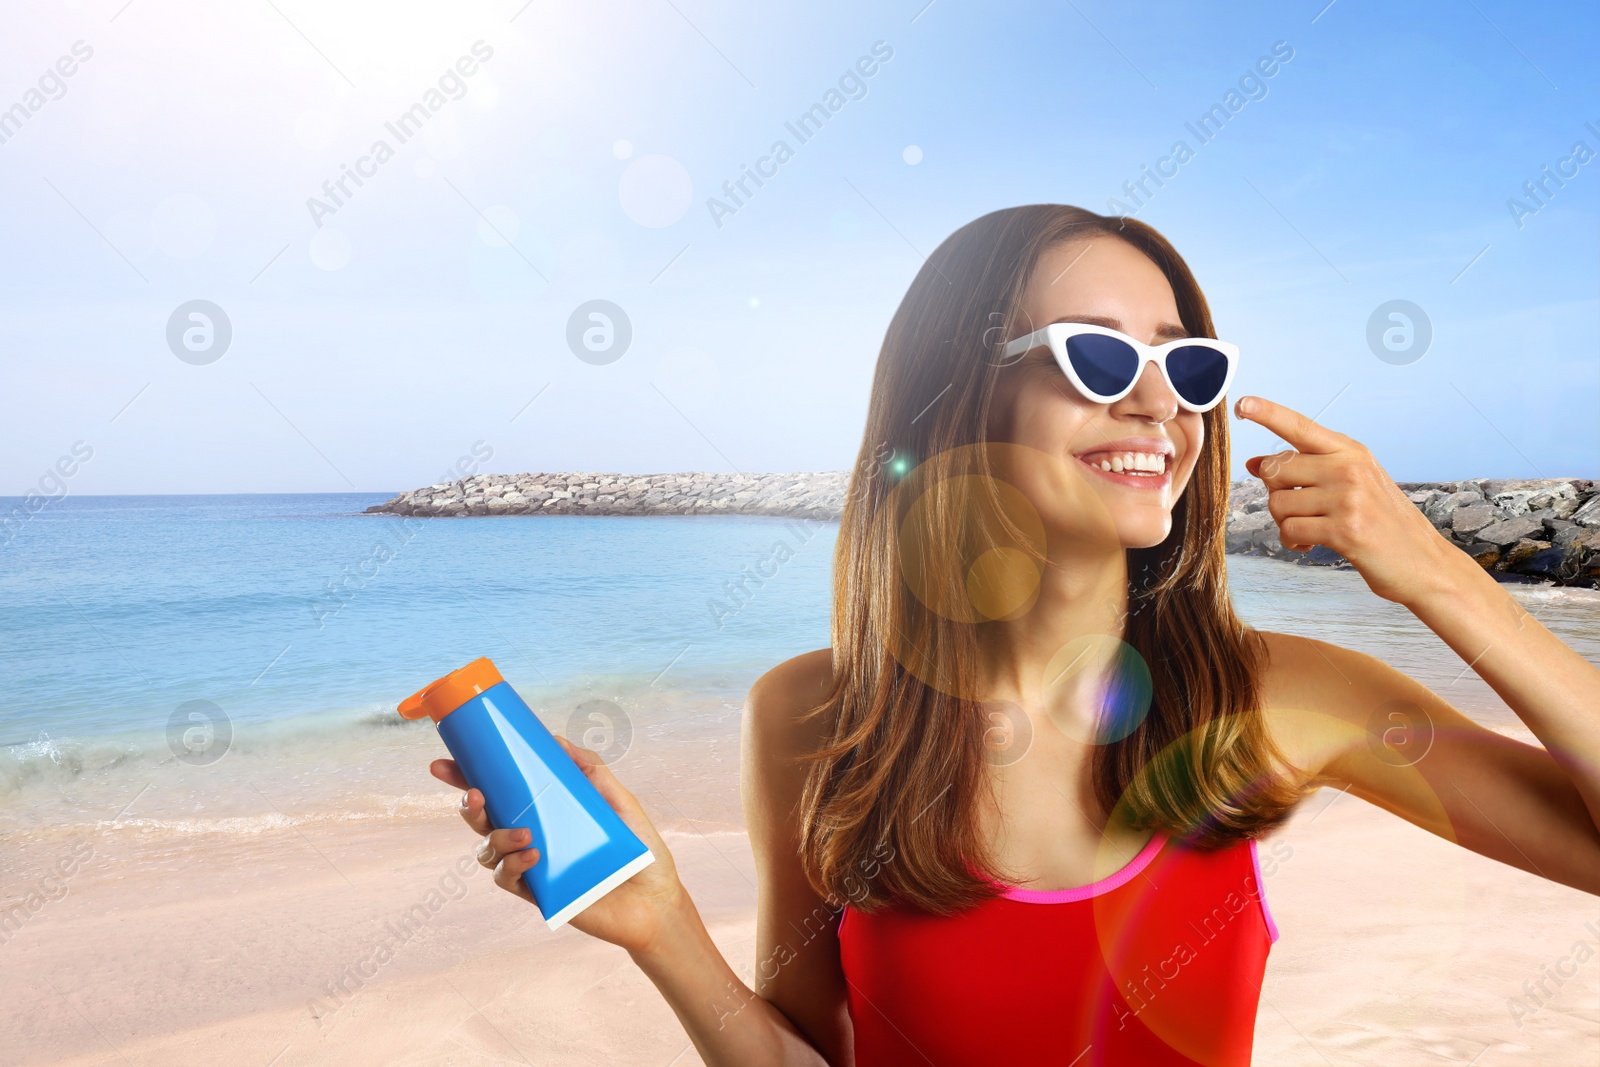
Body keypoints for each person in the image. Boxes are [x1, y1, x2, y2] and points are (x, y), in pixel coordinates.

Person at [428, 205, 1600, 1065]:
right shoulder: (810, 716)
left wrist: (1445, 579)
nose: (1157, 403)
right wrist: (664, 929)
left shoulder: (1279, 697)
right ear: (955, 397)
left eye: (1184, 365)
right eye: (1096, 355)